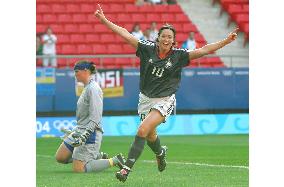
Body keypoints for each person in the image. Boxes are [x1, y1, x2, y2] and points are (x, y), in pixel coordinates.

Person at [94, 4, 238, 182]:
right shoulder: (146, 49)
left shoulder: (179, 55)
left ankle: (125, 169)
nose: (166, 39)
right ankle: (160, 153)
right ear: (158, 38)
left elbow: (204, 50)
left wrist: (227, 41)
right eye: (164, 36)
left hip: (165, 99)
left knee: (142, 130)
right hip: (145, 99)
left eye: (170, 37)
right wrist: (104, 20)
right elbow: (124, 33)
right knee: (150, 135)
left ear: (174, 40)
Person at [55, 60, 126, 173]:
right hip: (79, 130)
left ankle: (115, 160)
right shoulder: (87, 87)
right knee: (61, 157)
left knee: (79, 169)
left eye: (77, 71)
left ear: (85, 71)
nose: (75, 74)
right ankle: (98, 156)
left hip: (90, 132)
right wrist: (74, 131)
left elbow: (96, 116)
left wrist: (85, 134)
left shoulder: (93, 89)